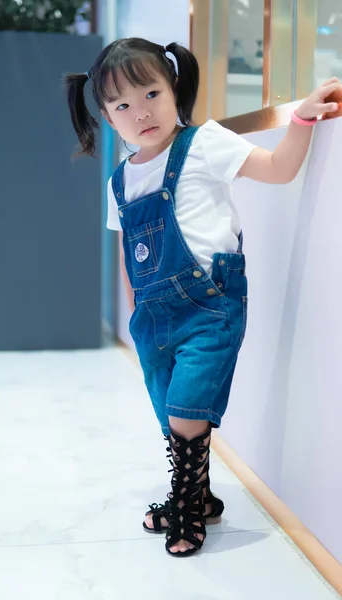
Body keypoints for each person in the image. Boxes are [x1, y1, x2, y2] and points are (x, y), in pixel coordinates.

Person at [64, 37, 339, 558]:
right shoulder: (119, 182)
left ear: (174, 89)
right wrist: (134, 315)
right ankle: (203, 496)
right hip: (153, 317)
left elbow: (279, 169)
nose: (140, 111)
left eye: (150, 93)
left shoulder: (205, 143)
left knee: (188, 410)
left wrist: (301, 119)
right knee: (172, 412)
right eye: (123, 105)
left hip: (210, 304)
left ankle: (185, 507)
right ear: (106, 116)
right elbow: (130, 255)